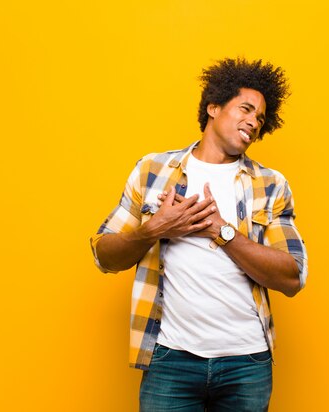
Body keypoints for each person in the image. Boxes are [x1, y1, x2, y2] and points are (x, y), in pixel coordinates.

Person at [90, 57, 308, 411]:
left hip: (247, 363)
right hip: (169, 361)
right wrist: (155, 229)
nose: (253, 122)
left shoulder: (270, 185)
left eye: (261, 119)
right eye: (246, 109)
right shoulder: (153, 171)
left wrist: (221, 230)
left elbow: (292, 277)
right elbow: (103, 254)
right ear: (213, 107)